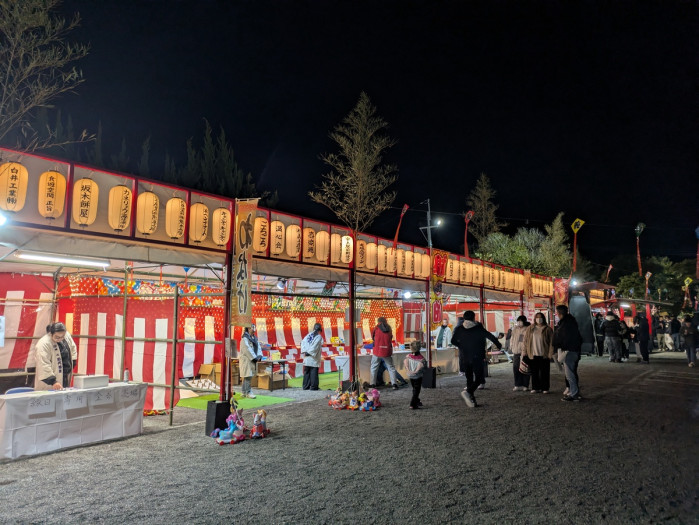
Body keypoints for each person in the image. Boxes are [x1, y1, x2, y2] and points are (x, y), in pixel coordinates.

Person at [450, 310, 502, 408]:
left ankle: (472, 400)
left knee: (469, 378)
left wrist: (461, 346)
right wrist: (498, 345)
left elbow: (453, 341)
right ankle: (468, 392)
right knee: (479, 378)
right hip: (477, 356)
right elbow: (490, 336)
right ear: (473, 318)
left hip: (465, 357)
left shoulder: (460, 329)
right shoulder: (478, 328)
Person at [34, 322, 78, 391]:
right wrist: (53, 381)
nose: (60, 339)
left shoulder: (66, 336)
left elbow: (73, 347)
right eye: (57, 337)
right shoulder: (43, 344)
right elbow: (43, 364)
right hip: (49, 381)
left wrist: (73, 360)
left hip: (65, 375)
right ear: (51, 334)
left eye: (62, 337)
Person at [553, 305, 583, 401]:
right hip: (573, 350)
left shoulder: (565, 324)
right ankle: (574, 392)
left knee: (570, 374)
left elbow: (563, 337)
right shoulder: (570, 322)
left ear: (560, 313)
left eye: (557, 313)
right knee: (571, 372)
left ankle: (574, 394)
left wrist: (558, 345)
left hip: (569, 350)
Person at [523, 312, 554, 394]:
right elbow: (525, 341)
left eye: (540, 317)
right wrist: (524, 351)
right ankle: (535, 387)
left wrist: (550, 353)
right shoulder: (530, 328)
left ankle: (545, 388)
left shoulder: (548, 329)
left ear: (543, 319)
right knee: (534, 372)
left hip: (544, 354)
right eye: (537, 317)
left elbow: (552, 342)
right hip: (533, 354)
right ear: (535, 319)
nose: (539, 319)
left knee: (545, 372)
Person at [370, 317, 400, 390]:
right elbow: (390, 338)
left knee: (374, 367)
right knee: (391, 367)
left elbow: (373, 338)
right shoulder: (389, 328)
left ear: (378, 321)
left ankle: (373, 384)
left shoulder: (376, 328)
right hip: (387, 351)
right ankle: (394, 384)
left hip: (377, 350)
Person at [240, 325, 263, 398]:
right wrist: (254, 358)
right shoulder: (245, 338)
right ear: (248, 329)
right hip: (247, 360)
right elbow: (247, 349)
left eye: (254, 327)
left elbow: (258, 347)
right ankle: (248, 392)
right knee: (248, 376)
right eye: (251, 328)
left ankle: (244, 392)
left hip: (252, 359)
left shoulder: (255, 338)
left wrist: (259, 355)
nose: (253, 329)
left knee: (248, 376)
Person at [510, 315, 531, 392]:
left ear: (524, 321)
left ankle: (525, 385)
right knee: (516, 369)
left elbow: (528, 341)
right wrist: (511, 347)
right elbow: (512, 338)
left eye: (520, 321)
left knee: (525, 369)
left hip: (525, 352)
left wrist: (526, 350)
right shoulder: (515, 329)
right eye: (518, 321)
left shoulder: (528, 329)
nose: (519, 323)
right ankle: (517, 384)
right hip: (516, 351)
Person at [404, 341, 427, 409]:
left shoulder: (408, 357)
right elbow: (424, 369)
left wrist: (409, 370)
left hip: (410, 375)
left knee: (414, 388)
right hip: (418, 376)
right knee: (417, 390)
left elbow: (406, 364)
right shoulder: (422, 359)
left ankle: (417, 401)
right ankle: (412, 404)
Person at [301, 323, 323, 390]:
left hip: (307, 356)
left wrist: (304, 351)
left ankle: (305, 386)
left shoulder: (308, 335)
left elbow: (302, 342)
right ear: (320, 330)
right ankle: (313, 387)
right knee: (313, 371)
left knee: (307, 372)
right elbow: (315, 347)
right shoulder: (318, 337)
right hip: (313, 357)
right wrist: (309, 353)